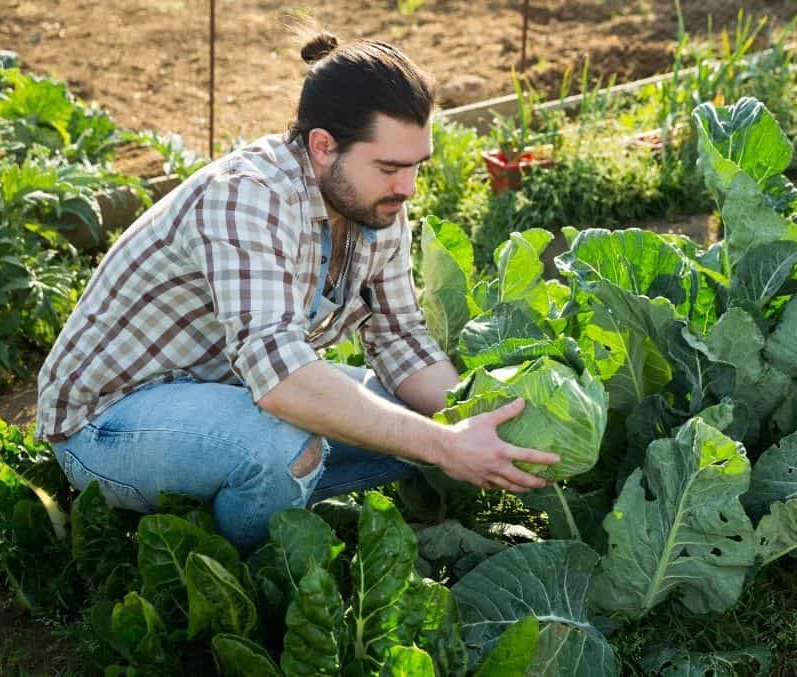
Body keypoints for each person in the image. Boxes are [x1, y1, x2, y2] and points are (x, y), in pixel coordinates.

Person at [35, 31, 558, 551]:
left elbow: (401, 340)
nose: (409, 187)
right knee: (283, 444)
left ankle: (248, 493)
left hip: (224, 393)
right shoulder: (245, 198)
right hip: (108, 421)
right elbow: (283, 381)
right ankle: (251, 572)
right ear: (323, 146)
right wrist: (445, 447)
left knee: (409, 417)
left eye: (416, 165)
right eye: (390, 167)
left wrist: (476, 424)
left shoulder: (373, 206)